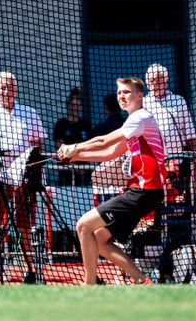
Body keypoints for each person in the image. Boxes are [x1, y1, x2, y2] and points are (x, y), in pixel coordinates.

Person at [58, 77, 166, 286]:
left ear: (139, 95)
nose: (121, 96)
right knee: (98, 238)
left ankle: (89, 286)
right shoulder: (135, 122)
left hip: (144, 191)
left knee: (83, 225)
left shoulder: (140, 118)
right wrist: (76, 158)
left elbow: (104, 140)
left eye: (126, 92)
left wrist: (74, 147)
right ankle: (143, 282)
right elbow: (109, 153)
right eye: (119, 93)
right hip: (144, 192)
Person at [0, 71, 47, 282]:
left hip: (22, 177)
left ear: (17, 88)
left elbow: (38, 145)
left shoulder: (29, 113)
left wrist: (34, 172)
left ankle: (30, 271)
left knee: (24, 225)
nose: (7, 91)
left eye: (11, 87)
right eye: (3, 87)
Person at [144, 64, 196, 203]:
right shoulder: (142, 103)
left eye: (160, 79)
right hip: (152, 164)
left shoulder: (178, 100)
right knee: (155, 203)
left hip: (178, 163)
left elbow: (190, 132)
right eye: (152, 80)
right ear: (147, 83)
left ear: (166, 81)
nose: (156, 83)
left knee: (183, 203)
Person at [53, 87, 93, 186]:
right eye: (73, 105)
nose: (75, 108)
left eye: (78, 105)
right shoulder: (61, 124)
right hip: (66, 172)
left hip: (84, 172)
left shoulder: (85, 125)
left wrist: (82, 168)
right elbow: (59, 148)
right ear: (68, 105)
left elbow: (91, 146)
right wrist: (73, 166)